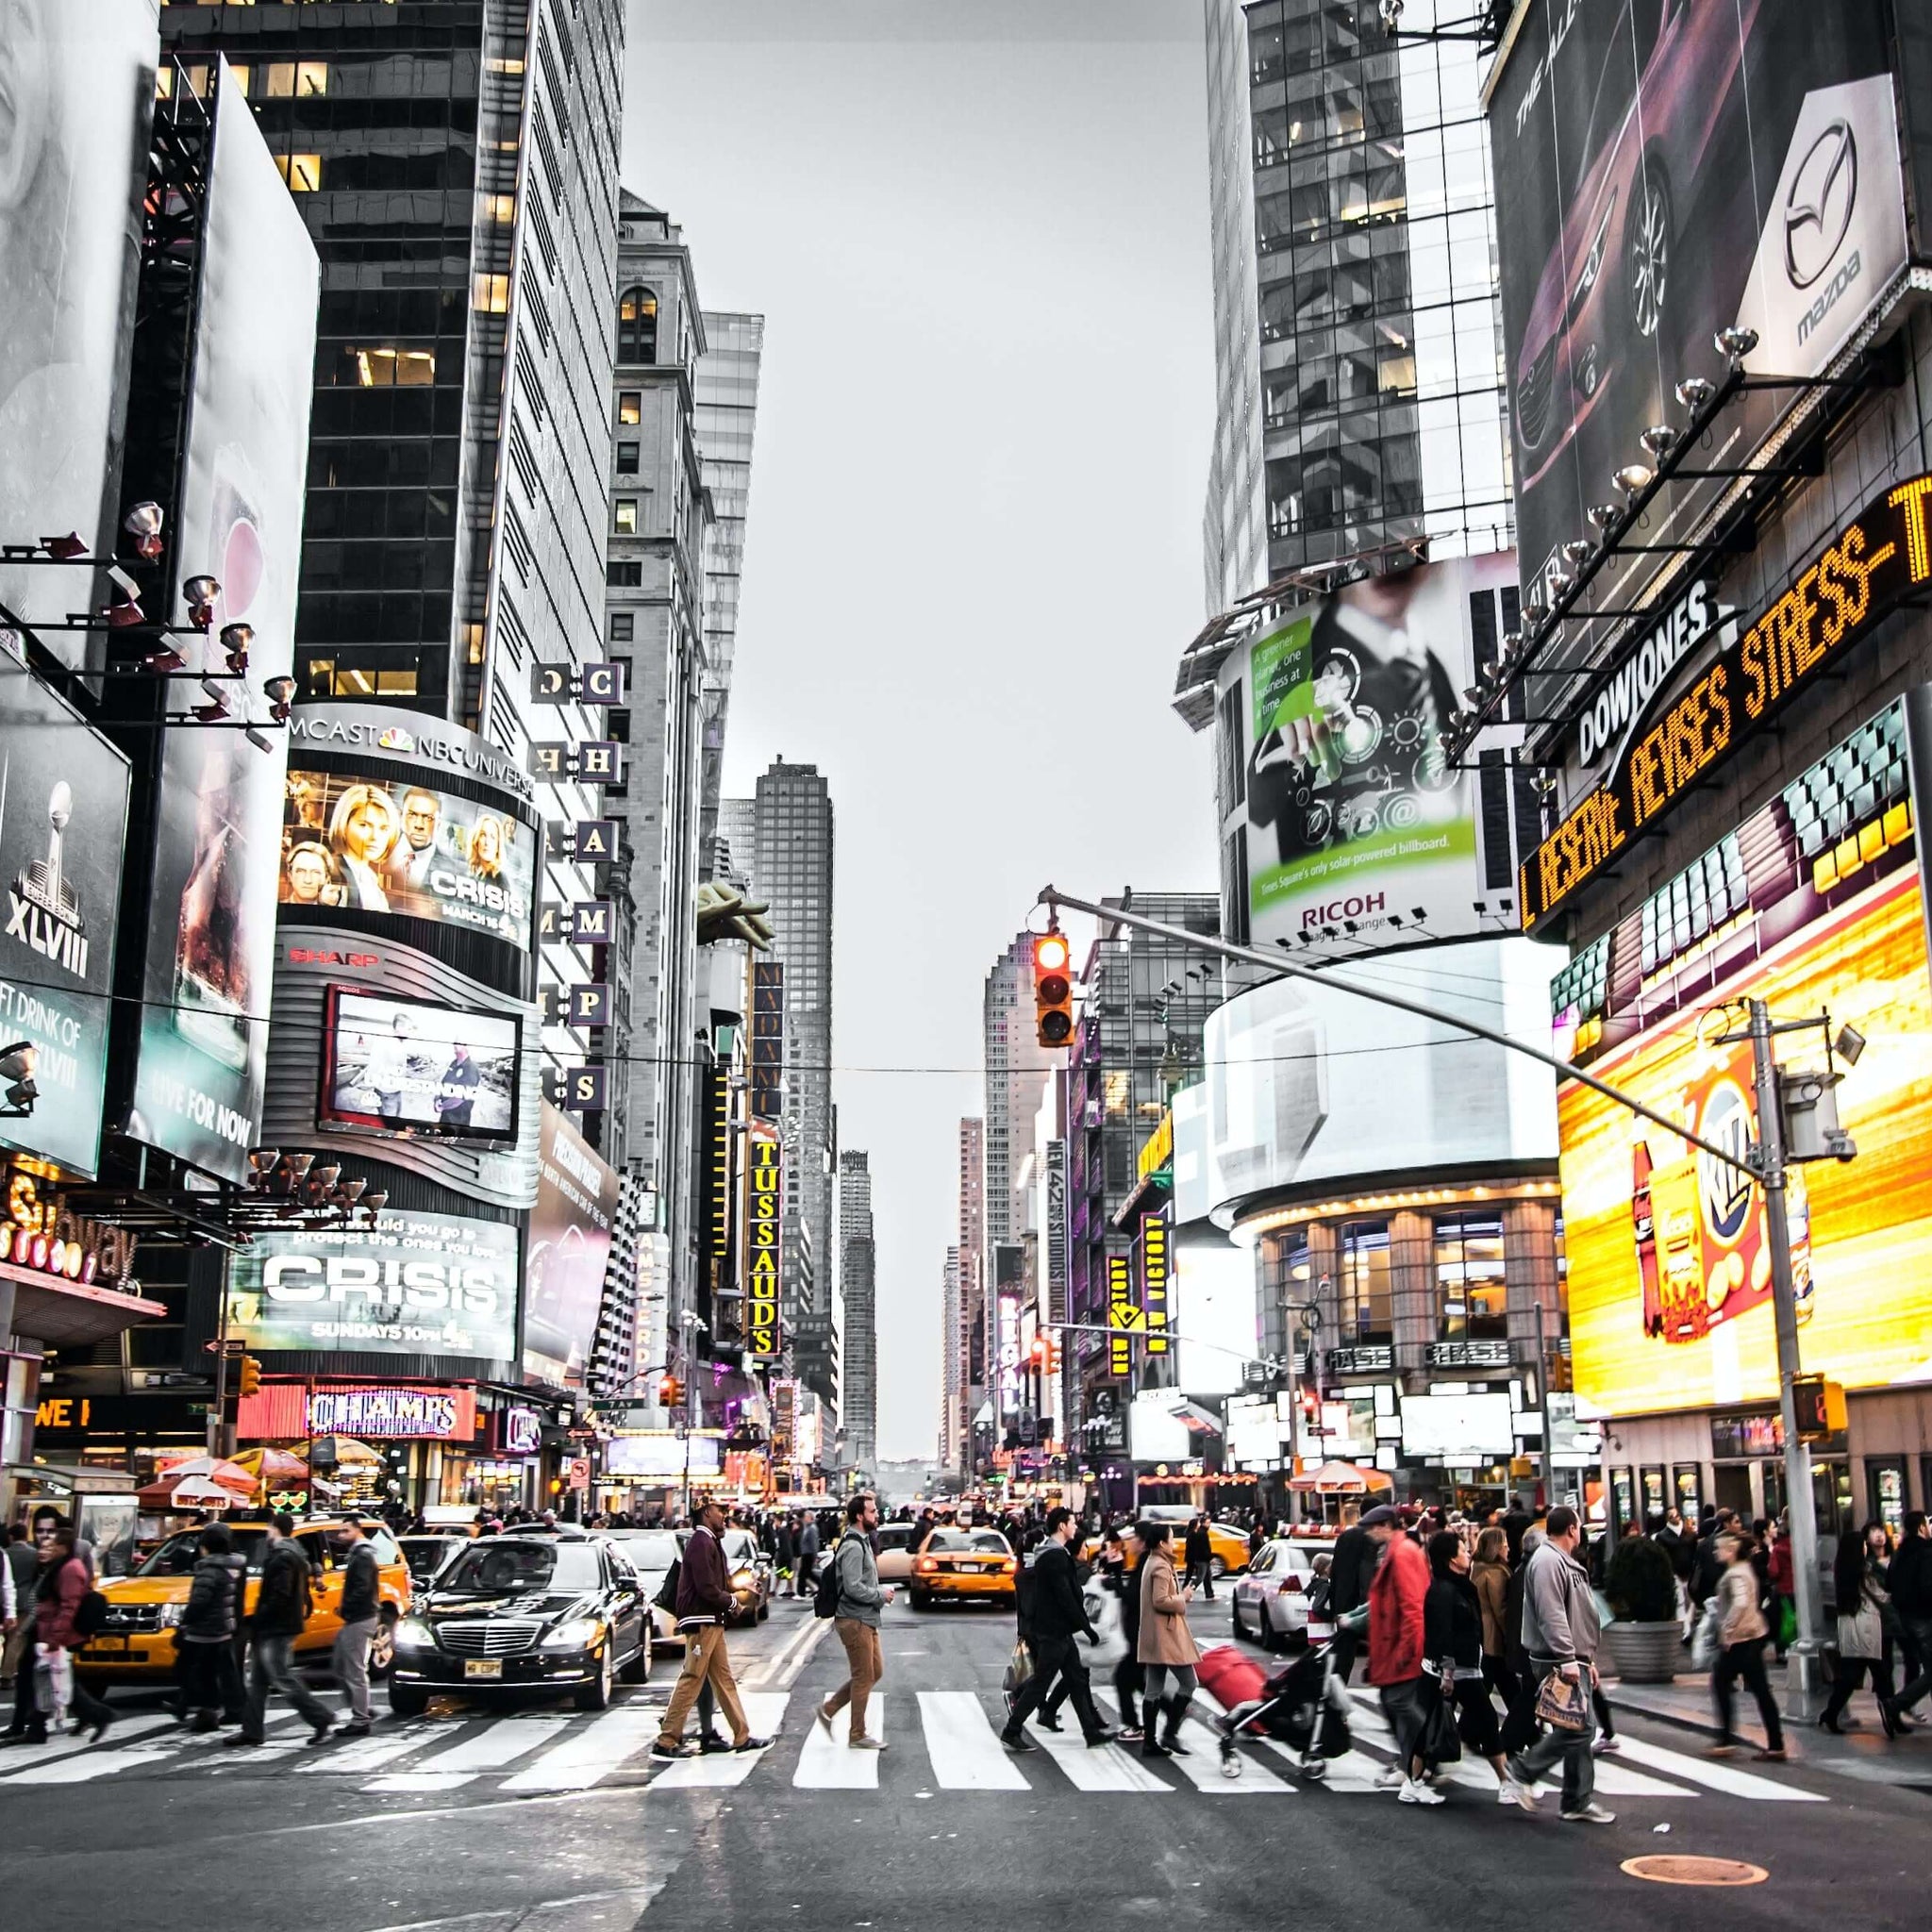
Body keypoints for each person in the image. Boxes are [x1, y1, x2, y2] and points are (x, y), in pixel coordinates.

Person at [1507, 1506, 1614, 1824]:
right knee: (1582, 1729)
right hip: (1558, 1659)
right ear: (1571, 1529)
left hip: (1570, 1657)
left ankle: (1576, 1800)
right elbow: (1552, 1614)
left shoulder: (1556, 1560)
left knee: (1572, 1726)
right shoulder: (1548, 1561)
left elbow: (1573, 1615)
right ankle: (1524, 1769)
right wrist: (1569, 1659)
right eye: (1579, 1526)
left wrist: (1586, 1659)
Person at [654, 1497, 767, 1760]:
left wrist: (739, 1589)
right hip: (702, 1621)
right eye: (720, 1511)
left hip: (710, 1620)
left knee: (724, 1679)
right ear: (706, 1512)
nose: (724, 1516)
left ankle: (742, 1736)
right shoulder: (701, 1541)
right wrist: (732, 1602)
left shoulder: (707, 1541)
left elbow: (715, 1582)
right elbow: (706, 1588)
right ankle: (667, 1739)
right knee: (693, 1677)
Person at [1424, 1529, 1530, 1807]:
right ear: (1450, 1559)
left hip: (1467, 1665)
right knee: (1484, 1719)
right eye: (1462, 1550)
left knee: (1435, 1724)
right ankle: (1506, 1783)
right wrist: (1447, 1671)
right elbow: (1443, 1633)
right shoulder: (1446, 1590)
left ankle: (1414, 1778)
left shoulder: (1461, 1584)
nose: (1467, 1553)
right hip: (1457, 1669)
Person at [1001, 1507, 1113, 1752]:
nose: (1076, 1527)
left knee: (1076, 1678)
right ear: (1062, 1526)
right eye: (1072, 1523)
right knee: (1041, 1683)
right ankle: (1012, 1730)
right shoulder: (1055, 1557)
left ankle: (1091, 1732)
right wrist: (1088, 1628)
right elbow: (1065, 1596)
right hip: (1053, 1632)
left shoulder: (1053, 1554)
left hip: (1058, 1631)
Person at [228, 1514, 336, 1749]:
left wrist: (260, 1618)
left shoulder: (283, 1558)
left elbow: (280, 1594)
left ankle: (320, 1717)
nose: (267, 1533)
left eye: (269, 1529)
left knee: (281, 1677)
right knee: (258, 1680)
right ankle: (252, 1730)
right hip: (278, 1625)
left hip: (276, 1627)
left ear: (274, 1529)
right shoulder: (294, 1554)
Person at [1362, 1504, 1437, 1806]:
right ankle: (1415, 1765)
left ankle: (1427, 1755)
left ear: (1384, 1525)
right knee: (1394, 1703)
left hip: (1401, 1648)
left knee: (1398, 1703)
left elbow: (1412, 1607)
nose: (1368, 1533)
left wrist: (1407, 1650)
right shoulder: (1399, 1551)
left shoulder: (1402, 1553)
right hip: (1395, 1647)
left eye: (1371, 1527)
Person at [816, 1494, 891, 1750]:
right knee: (863, 1675)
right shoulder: (853, 1546)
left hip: (866, 1618)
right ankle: (857, 1734)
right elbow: (852, 1587)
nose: (877, 1515)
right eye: (872, 1511)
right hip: (854, 1619)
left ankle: (829, 1709)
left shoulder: (864, 1541)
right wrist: (880, 1595)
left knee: (874, 1672)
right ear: (860, 1516)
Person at [24, 1528, 111, 1744]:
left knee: (59, 1682)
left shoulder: (70, 1569)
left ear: (63, 1547)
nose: (46, 1550)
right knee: (50, 1680)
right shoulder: (59, 1567)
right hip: (50, 1631)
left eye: (51, 1546)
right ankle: (37, 1726)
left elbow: (68, 1606)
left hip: (58, 1634)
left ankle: (99, 1715)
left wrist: (56, 1637)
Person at [1709, 1531, 1785, 1760]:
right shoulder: (1745, 1569)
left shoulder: (1735, 1574)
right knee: (1760, 1690)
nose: (1716, 1552)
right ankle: (1774, 1743)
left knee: (1723, 1683)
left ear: (1730, 1550)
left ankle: (1726, 1739)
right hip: (1751, 1636)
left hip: (1741, 1640)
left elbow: (1741, 1603)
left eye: (1719, 1548)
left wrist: (1727, 1630)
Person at [1821, 1525, 1899, 1737]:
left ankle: (1831, 1713)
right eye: (1863, 1544)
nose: (1866, 1547)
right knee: (1879, 1674)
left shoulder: (1843, 1570)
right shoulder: (1864, 1571)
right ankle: (1891, 1715)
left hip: (1849, 1626)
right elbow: (1881, 1596)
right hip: (1866, 1628)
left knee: (1851, 1676)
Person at [1134, 1520, 1200, 1759]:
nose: (1174, 1543)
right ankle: (1169, 1733)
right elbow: (1160, 1601)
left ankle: (1151, 1742)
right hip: (1167, 1635)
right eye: (1171, 1538)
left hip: (1155, 1634)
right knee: (1189, 1682)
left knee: (1153, 1689)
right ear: (1162, 1543)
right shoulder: (1160, 1566)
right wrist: (1184, 1597)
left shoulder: (1153, 1562)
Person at [176, 1524, 247, 1731]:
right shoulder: (235, 1567)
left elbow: (200, 1601)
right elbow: (237, 1600)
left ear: (205, 1545)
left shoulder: (209, 1569)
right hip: (224, 1626)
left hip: (204, 1629)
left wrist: (185, 1621)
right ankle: (233, 1710)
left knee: (195, 1670)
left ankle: (202, 1712)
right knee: (226, 1672)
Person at [332, 1514, 381, 1737]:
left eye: (345, 1531)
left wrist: (347, 1607)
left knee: (354, 1670)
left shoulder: (362, 1555)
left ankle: (361, 1718)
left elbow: (362, 1587)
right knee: (343, 1666)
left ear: (356, 1531)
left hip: (360, 1617)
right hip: (358, 1616)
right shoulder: (360, 1554)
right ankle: (362, 1709)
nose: (340, 1535)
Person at [1885, 1509, 1932, 1727]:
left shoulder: (1899, 1553)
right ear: (1922, 1528)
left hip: (1906, 1618)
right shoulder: (1926, 1552)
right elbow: (1927, 1587)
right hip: (1924, 1618)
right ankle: (1895, 1704)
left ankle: (1895, 1704)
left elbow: (1889, 1585)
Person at [1325, 1510, 1379, 1684]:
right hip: (1360, 1605)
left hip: (1342, 1602)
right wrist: (1366, 1602)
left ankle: (1334, 1690)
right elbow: (1366, 1572)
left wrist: (1334, 1605)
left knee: (1343, 1655)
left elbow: (1334, 1572)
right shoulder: (1369, 1538)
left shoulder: (1344, 1536)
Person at [1470, 1525, 1517, 1711]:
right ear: (1496, 1547)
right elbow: (1501, 1609)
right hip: (1494, 1637)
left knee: (1504, 1685)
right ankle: (1467, 1731)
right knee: (1496, 1684)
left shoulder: (1477, 1568)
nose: (1508, 1548)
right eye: (1505, 1544)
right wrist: (1511, 1635)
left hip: (1483, 1634)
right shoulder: (1496, 1573)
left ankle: (1529, 1733)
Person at [436, 1041, 480, 1129]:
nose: (454, 1045)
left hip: (457, 1121)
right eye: (454, 1042)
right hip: (446, 1116)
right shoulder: (454, 1063)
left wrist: (442, 1106)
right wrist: (437, 1099)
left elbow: (460, 1097)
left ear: (466, 1046)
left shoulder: (471, 1068)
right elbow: (444, 1083)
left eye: (458, 1042)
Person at [1182, 1515, 1215, 1601]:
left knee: (1207, 1577)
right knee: (1200, 1577)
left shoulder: (1200, 1532)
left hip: (1201, 1558)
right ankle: (1188, 1592)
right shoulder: (1201, 1533)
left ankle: (1210, 1594)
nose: (1209, 1524)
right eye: (1208, 1523)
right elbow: (1203, 1548)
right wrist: (1209, 1557)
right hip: (1201, 1559)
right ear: (1203, 1523)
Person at [794, 1511, 821, 1598]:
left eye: (806, 1517)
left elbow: (814, 1543)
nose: (804, 1518)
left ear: (810, 1518)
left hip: (809, 1554)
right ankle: (822, 1586)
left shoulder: (812, 1528)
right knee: (808, 1574)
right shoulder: (807, 1527)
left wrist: (815, 1555)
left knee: (803, 1574)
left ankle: (800, 1593)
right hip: (806, 1554)